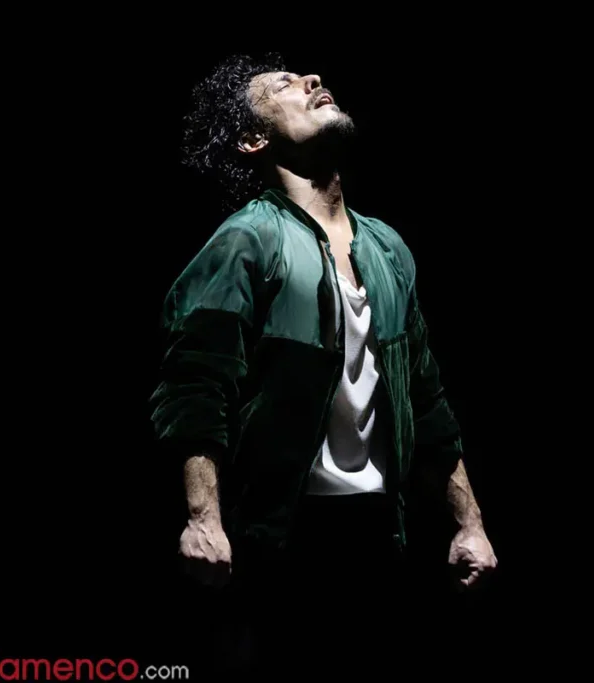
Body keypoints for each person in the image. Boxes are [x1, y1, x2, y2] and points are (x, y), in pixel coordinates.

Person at [150, 53, 497, 675]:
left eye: (307, 76)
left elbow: (426, 400)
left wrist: (468, 523)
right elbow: (195, 387)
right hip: (279, 543)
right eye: (284, 85)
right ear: (253, 140)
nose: (313, 79)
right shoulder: (247, 241)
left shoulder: (387, 247)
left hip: (383, 535)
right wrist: (202, 517)